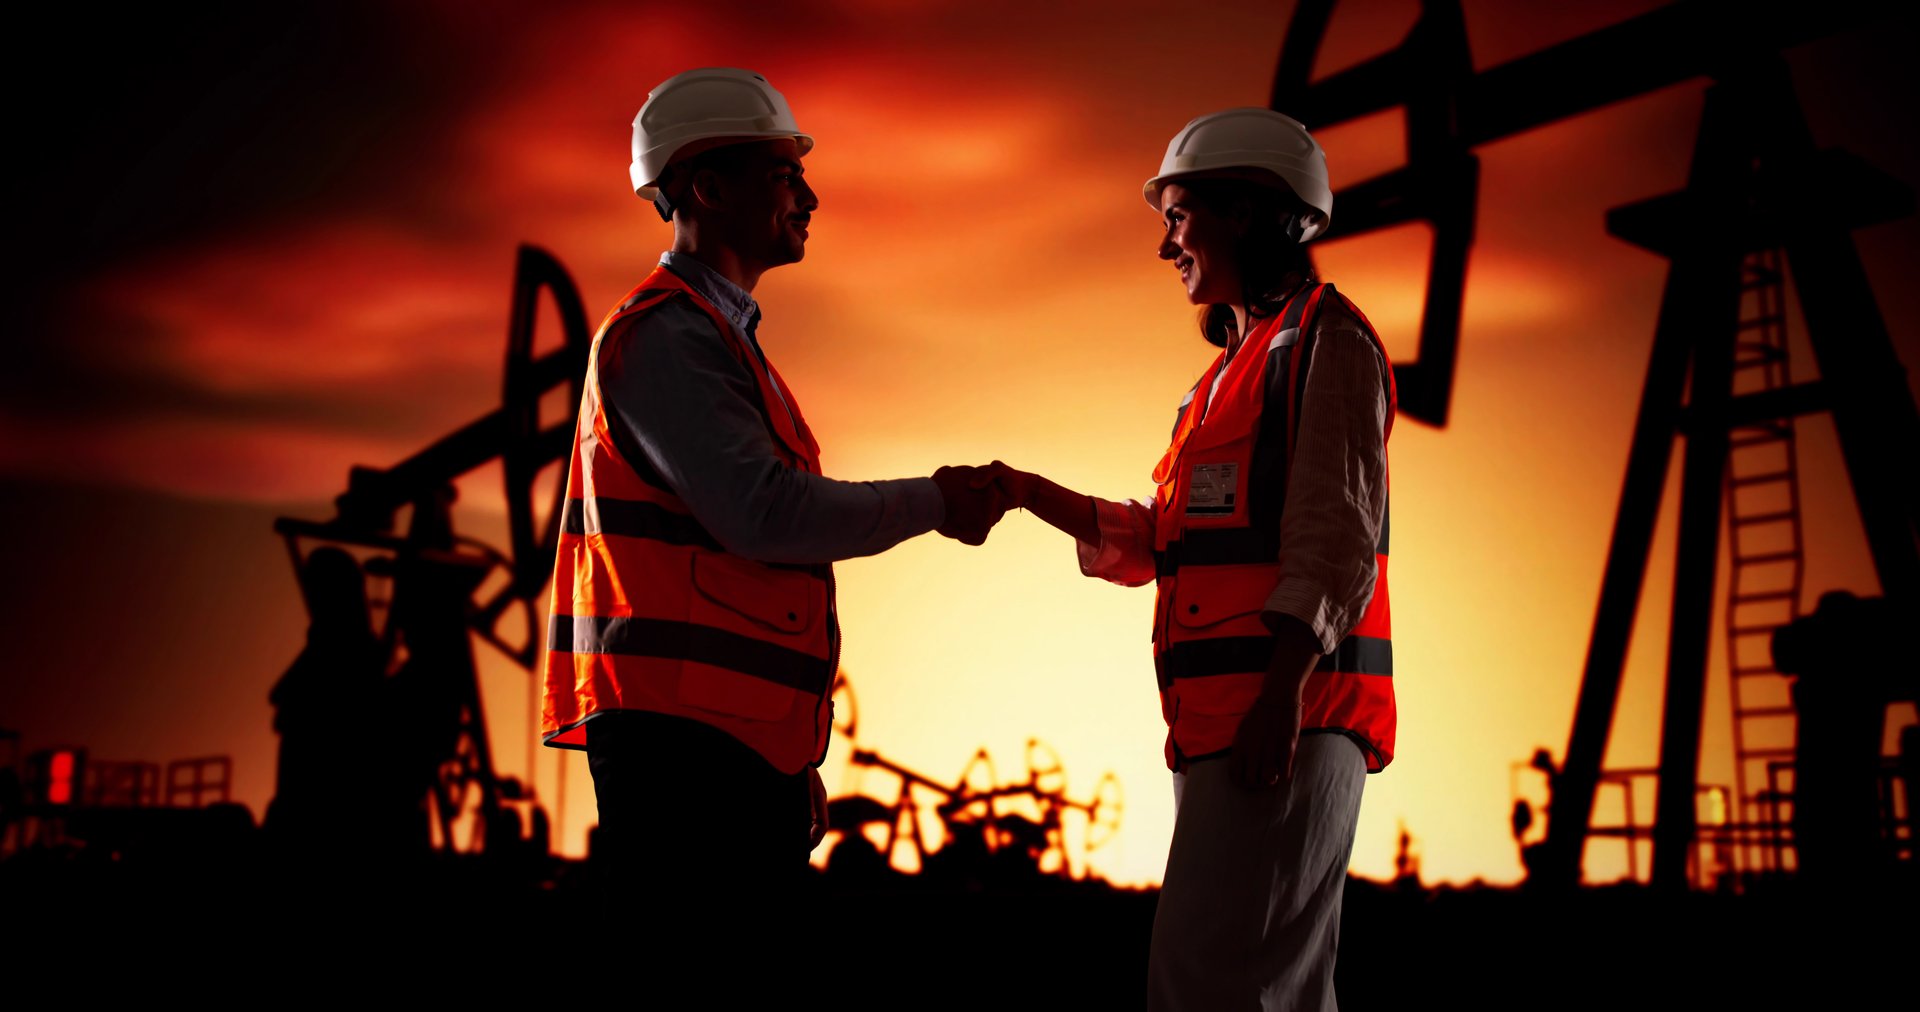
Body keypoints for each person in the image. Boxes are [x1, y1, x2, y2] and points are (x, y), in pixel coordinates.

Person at [537, 67, 1008, 991]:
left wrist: (785, 759)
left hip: (717, 752)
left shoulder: (717, 342)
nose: (811, 195)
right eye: (787, 174)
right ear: (709, 188)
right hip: (685, 759)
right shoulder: (670, 339)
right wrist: (938, 502)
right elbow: (765, 514)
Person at [988, 108, 1396, 1010]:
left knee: (1213, 989)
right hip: (1234, 727)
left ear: (1245, 212)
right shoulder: (1222, 379)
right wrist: (1023, 491)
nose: (1166, 246)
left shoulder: (1329, 343)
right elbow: (1159, 544)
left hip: (1281, 721)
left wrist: (1280, 699)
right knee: (1255, 989)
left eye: (1177, 217)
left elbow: (1336, 537)